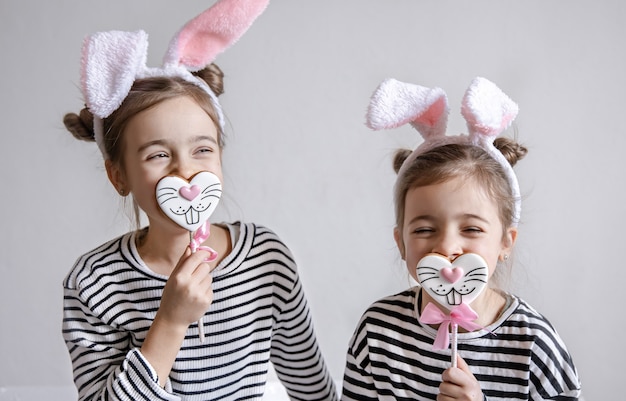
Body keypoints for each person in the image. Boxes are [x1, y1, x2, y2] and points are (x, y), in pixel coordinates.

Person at [61, 2, 337, 400]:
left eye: (202, 150)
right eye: (158, 155)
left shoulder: (267, 258)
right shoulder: (93, 283)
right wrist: (171, 321)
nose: (185, 173)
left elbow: (309, 384)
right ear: (118, 176)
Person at [341, 77, 581, 400]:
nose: (447, 247)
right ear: (401, 243)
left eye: (471, 229)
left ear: (505, 242)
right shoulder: (377, 333)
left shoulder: (535, 346)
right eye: (424, 229)